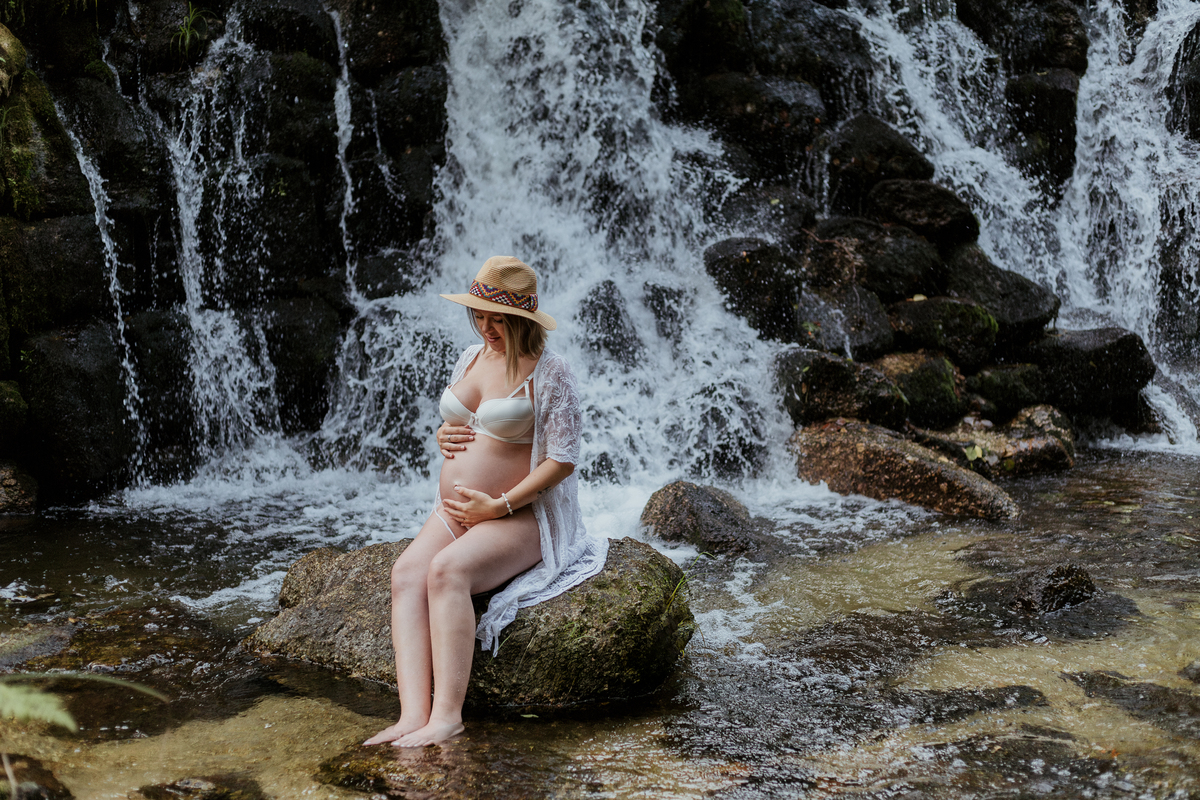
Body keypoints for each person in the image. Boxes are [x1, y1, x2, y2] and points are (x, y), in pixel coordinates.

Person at [365, 256, 608, 747]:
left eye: (498, 318)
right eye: (479, 315)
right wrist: (444, 435)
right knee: (406, 574)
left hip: (520, 515)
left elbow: (561, 461)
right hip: (459, 511)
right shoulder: (471, 356)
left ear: (522, 319)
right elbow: (466, 423)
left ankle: (447, 717)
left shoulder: (552, 372)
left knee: (446, 572)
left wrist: (497, 506)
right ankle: (412, 714)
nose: (486, 326)